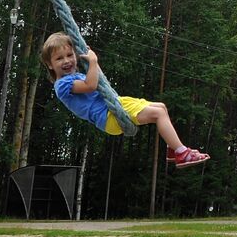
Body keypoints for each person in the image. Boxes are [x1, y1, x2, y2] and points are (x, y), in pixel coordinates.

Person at [40, 32, 210, 167]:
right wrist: (92, 61)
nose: (67, 61)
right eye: (59, 58)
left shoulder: (75, 75)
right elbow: (91, 85)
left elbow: (96, 78)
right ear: (49, 64)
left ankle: (173, 149)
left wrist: (92, 62)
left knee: (161, 107)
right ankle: (182, 153)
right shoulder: (61, 85)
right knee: (158, 113)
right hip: (108, 116)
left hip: (114, 105)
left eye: (70, 55)